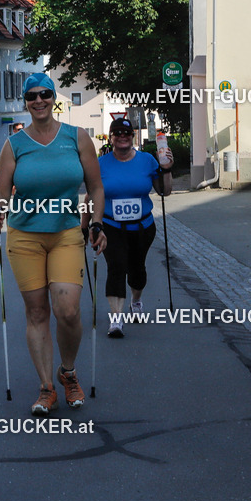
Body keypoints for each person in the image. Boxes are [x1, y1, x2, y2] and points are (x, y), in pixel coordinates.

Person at [0, 73, 107, 417]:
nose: (38, 101)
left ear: (53, 98)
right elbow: (1, 192)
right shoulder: (14, 145)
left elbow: (95, 188)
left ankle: (67, 372)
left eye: (44, 95)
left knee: (67, 309)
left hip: (66, 232)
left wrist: (96, 222)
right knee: (37, 311)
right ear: (24, 102)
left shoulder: (77, 137)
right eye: (31, 96)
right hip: (24, 236)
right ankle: (46, 387)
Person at [99, 117, 173, 337]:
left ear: (133, 136)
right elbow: (93, 195)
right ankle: (116, 319)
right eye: (117, 133)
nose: (122, 136)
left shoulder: (148, 160)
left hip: (142, 226)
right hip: (111, 225)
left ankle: (136, 301)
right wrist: (88, 225)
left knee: (137, 269)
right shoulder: (100, 164)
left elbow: (164, 191)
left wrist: (167, 169)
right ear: (111, 138)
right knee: (116, 267)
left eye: (127, 133)